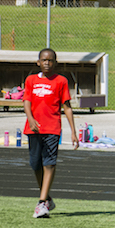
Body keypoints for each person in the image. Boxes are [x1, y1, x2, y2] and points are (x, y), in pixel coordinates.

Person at [23, 48, 79, 218]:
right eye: (44, 60)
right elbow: (26, 102)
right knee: (35, 164)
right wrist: (31, 119)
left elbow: (67, 107)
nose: (47, 63)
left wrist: (73, 132)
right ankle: (47, 198)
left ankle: (41, 204)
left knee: (49, 164)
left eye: (50, 60)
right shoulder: (31, 80)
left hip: (52, 129)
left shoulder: (61, 81)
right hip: (33, 129)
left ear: (55, 62)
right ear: (38, 62)